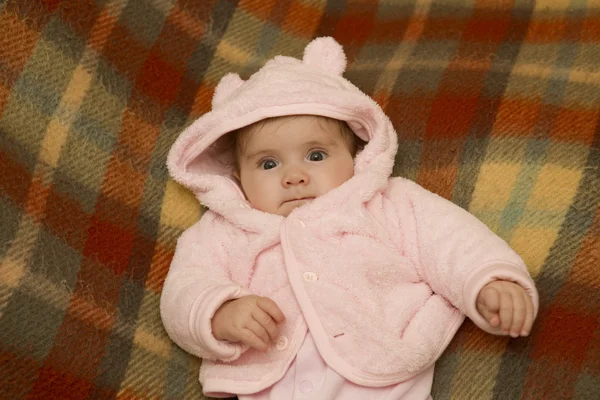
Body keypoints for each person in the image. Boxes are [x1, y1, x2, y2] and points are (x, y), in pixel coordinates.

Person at [161, 37, 539, 399]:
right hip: (269, 383)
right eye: (268, 163)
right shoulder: (222, 231)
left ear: (356, 154)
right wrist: (219, 313)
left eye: (316, 155)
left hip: (384, 377)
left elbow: (450, 241)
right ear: (236, 176)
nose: (294, 176)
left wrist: (488, 282)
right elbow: (184, 288)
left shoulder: (385, 203)